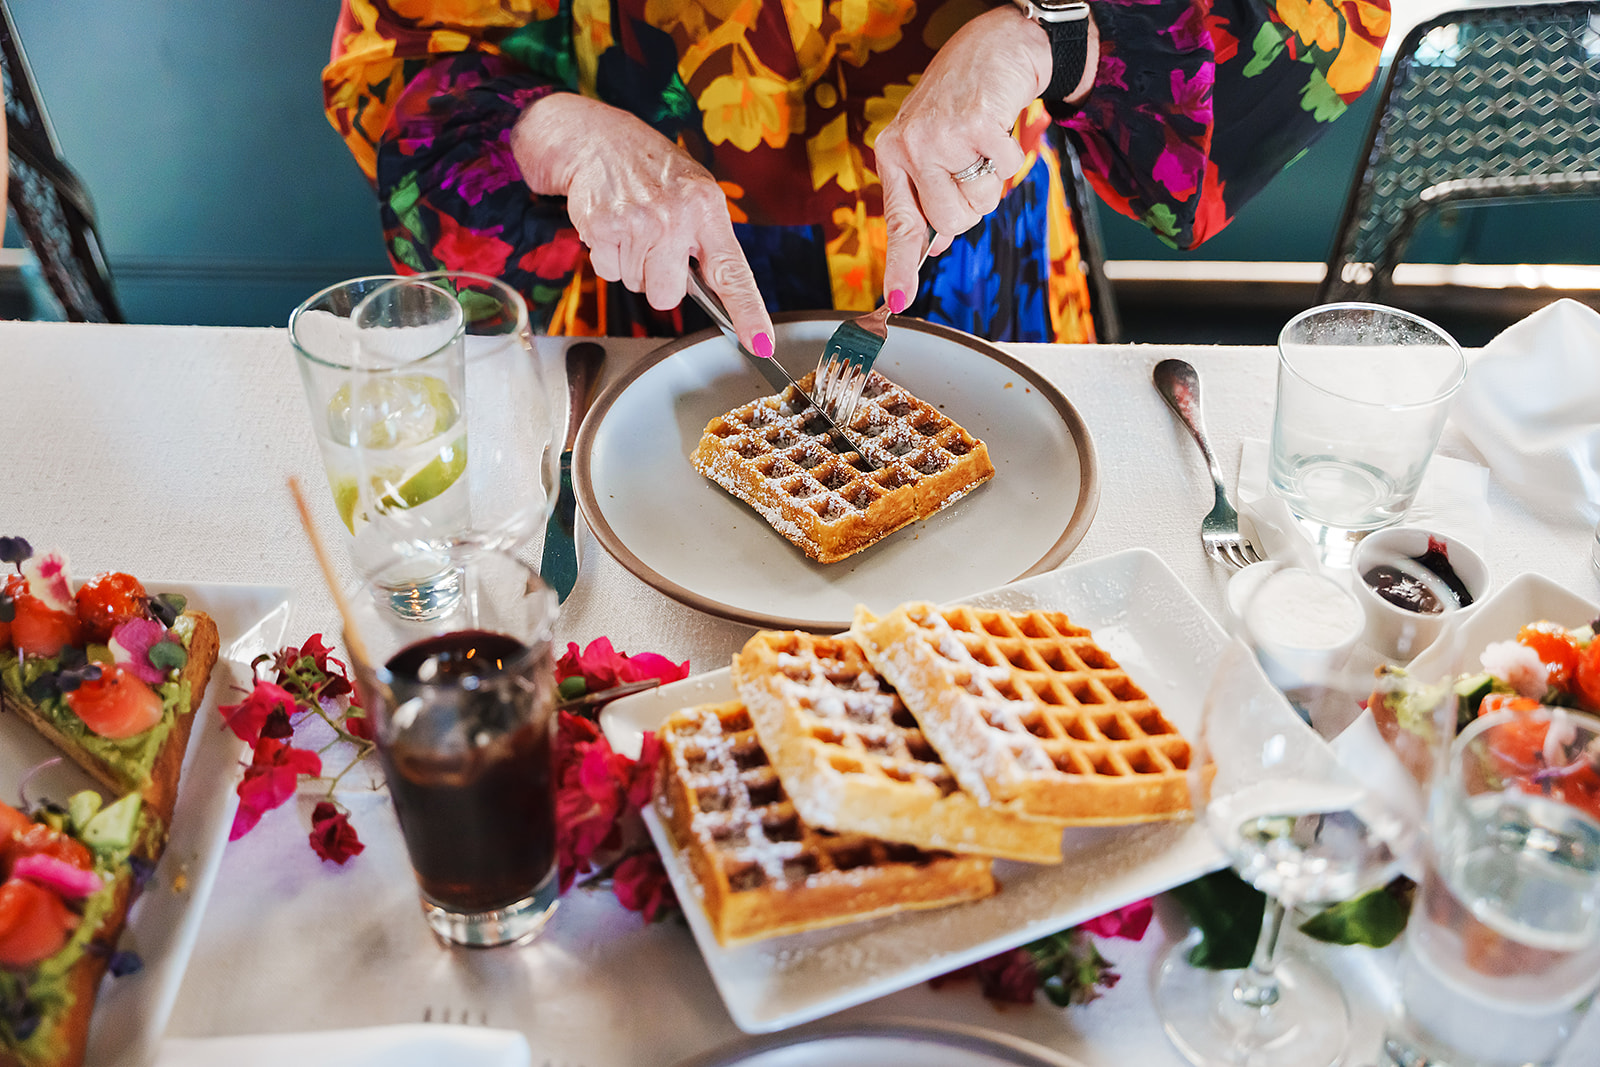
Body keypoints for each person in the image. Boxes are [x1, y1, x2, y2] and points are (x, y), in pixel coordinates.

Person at [323, 0, 1388, 353]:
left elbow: (1314, 25)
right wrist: (563, 130)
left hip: (981, 249)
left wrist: (1049, 37)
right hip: (642, 262)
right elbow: (394, 63)